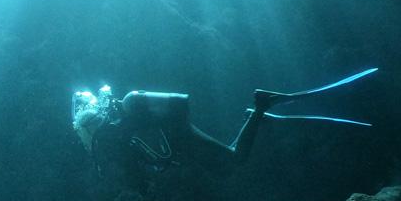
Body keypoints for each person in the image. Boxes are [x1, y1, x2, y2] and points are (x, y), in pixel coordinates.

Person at [71, 68, 377, 178]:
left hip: (178, 133)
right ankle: (256, 114)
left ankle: (261, 105)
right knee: (228, 162)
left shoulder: (121, 119)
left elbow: (158, 134)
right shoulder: (124, 115)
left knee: (234, 161)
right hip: (177, 132)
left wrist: (168, 151)